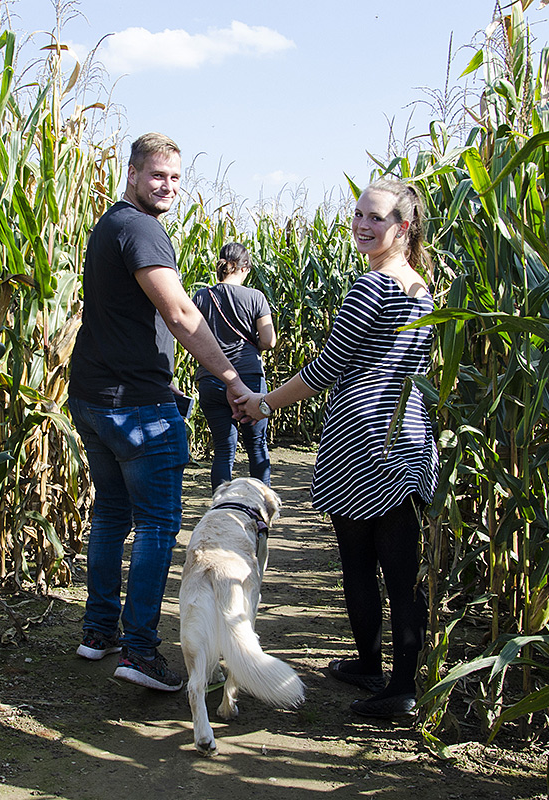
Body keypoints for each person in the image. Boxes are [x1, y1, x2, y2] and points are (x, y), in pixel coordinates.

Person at [237, 178, 439, 719]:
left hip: (364, 437)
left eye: (377, 218)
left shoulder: (370, 288)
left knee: (361, 560)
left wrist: (262, 404)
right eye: (358, 215)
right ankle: (389, 674)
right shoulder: (423, 288)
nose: (364, 225)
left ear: (403, 226)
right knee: (400, 564)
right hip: (411, 434)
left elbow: (327, 369)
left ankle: (392, 683)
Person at [68, 133, 252, 692]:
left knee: (111, 515)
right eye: (157, 176)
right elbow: (179, 313)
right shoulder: (142, 229)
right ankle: (141, 651)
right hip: (138, 406)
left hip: (94, 398)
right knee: (155, 524)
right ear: (131, 174)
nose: (167, 187)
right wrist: (231, 378)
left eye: (175, 178)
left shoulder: (110, 225)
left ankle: (100, 632)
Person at [192, 242, 277, 492]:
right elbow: (269, 340)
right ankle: (261, 511)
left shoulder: (202, 297)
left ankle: (220, 509)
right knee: (256, 445)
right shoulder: (255, 297)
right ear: (244, 268)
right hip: (248, 379)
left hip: (210, 378)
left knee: (223, 448)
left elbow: (191, 336)